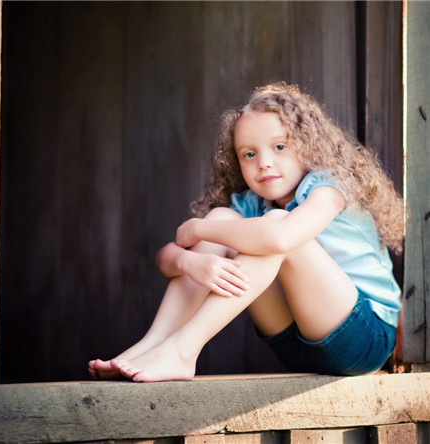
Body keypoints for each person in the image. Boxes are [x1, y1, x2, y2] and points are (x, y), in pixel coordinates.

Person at [88, 83, 404, 382]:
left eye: (279, 147)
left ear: (307, 145)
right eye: (249, 154)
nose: (264, 163)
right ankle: (153, 344)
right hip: (294, 346)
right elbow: (166, 259)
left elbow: (280, 238)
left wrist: (199, 227)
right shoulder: (252, 204)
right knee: (224, 218)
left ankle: (183, 350)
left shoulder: (330, 189)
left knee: (274, 228)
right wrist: (192, 263)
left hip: (363, 340)